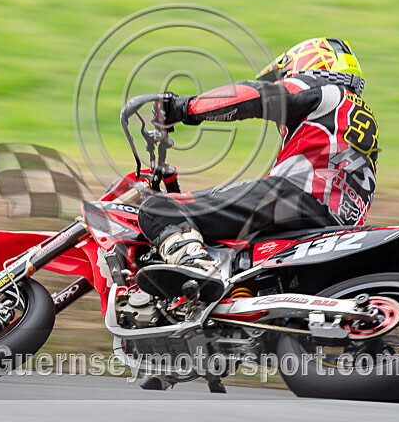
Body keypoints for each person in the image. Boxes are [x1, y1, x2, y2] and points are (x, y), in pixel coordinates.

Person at [136, 38, 378, 299]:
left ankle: (199, 270)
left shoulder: (321, 88)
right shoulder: (352, 113)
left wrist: (184, 108)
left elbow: (256, 96)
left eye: (283, 76)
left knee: (158, 209)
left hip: (296, 197)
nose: (281, 82)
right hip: (341, 221)